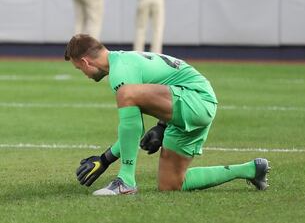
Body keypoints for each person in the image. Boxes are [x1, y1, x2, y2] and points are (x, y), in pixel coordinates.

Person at [64, 34, 271, 195]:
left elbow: (135, 129)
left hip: (195, 100)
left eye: (79, 69)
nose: (84, 74)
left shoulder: (121, 71)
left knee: (126, 94)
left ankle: (125, 182)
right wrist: (162, 127)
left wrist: (105, 159)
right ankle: (251, 169)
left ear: (85, 62)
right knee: (171, 184)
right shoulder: (124, 60)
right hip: (192, 105)